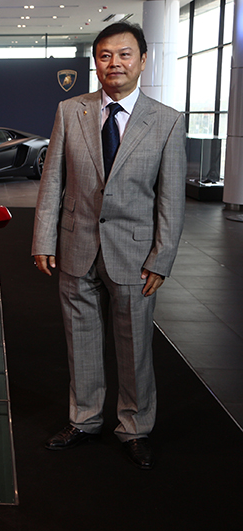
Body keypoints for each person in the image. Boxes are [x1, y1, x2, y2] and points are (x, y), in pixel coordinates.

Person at [31, 21, 186, 470]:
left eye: (123, 54)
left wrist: (161, 258)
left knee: (135, 345)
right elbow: (53, 180)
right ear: (95, 63)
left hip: (135, 256)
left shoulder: (167, 121)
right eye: (104, 55)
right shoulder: (70, 111)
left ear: (142, 60)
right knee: (80, 339)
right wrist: (43, 238)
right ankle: (84, 419)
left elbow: (171, 200)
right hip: (76, 246)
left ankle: (134, 427)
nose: (113, 63)